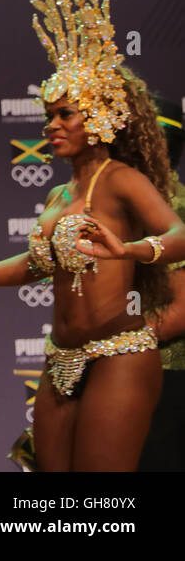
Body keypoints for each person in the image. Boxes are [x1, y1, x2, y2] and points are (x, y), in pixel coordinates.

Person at [0, 0, 185, 471]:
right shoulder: (60, 193)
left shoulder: (120, 178)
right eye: (49, 114)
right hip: (60, 360)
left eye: (65, 115)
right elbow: (37, 264)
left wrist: (130, 250)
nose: (50, 125)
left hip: (119, 356)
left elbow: (179, 234)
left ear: (98, 119)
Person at [138, 94, 185, 471]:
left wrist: (100, 347)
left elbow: (178, 312)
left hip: (165, 377)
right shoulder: (117, 207)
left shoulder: (177, 211)